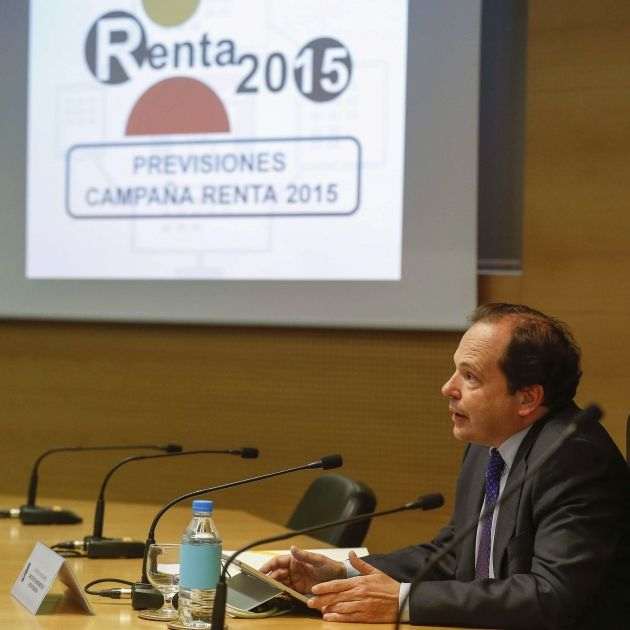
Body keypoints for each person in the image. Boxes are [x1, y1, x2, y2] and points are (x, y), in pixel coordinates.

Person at [261, 303, 630, 629]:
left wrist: (403, 601)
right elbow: (453, 554)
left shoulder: (574, 458)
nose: (447, 388)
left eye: (470, 376)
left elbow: (551, 595)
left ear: (527, 398)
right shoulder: (488, 445)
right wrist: (341, 574)